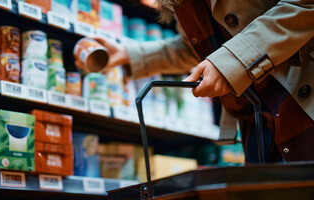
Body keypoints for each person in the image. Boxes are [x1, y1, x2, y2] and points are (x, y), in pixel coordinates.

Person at [75, 0, 314, 163]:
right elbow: (200, 46)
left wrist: (235, 59)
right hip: (260, 124)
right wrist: (128, 54)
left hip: (302, 106)